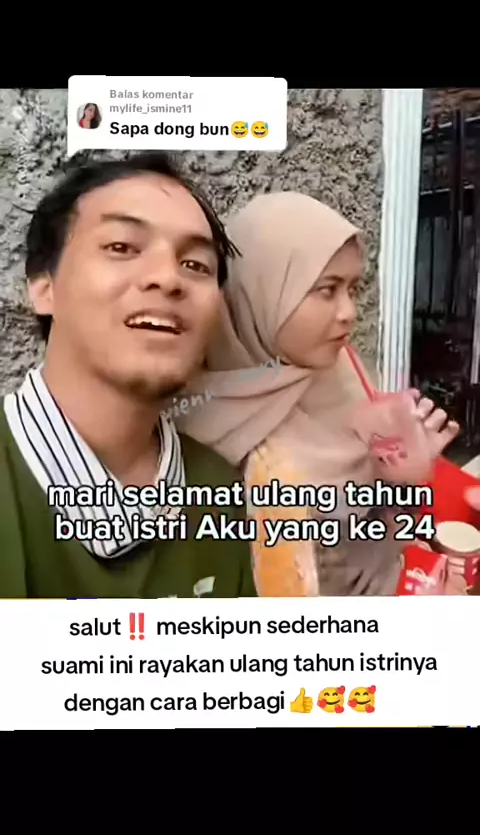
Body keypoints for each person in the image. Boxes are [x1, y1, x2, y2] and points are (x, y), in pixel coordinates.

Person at [176, 192, 460, 597]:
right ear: (262, 293)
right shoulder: (200, 427)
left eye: (353, 289)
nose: (349, 312)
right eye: (327, 290)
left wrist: (402, 482)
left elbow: (374, 533)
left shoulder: (341, 373)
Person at [0, 152, 256, 599]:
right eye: (122, 247)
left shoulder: (217, 488)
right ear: (43, 287)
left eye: (196, 265)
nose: (168, 278)